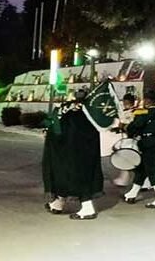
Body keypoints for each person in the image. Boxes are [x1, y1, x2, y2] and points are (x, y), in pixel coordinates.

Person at [42, 90, 104, 220]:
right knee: (66, 177)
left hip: (72, 153)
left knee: (73, 178)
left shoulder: (73, 114)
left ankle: (87, 209)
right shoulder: (91, 114)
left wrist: (52, 129)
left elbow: (60, 132)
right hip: (83, 153)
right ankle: (58, 203)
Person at [122, 90, 155, 208]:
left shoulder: (145, 111)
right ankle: (132, 193)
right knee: (142, 169)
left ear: (147, 100)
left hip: (148, 143)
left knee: (151, 169)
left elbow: (136, 125)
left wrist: (125, 127)